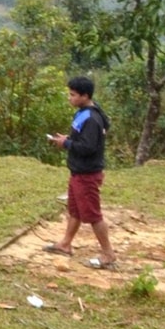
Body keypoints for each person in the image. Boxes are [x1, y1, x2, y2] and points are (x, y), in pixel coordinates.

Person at [45, 75, 117, 269]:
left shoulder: (92, 118)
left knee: (93, 215)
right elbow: (85, 138)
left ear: (85, 96)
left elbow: (89, 147)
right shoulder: (84, 112)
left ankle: (108, 253)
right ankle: (65, 244)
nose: (70, 98)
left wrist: (66, 143)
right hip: (77, 172)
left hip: (87, 174)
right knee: (75, 210)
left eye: (73, 95)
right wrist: (69, 138)